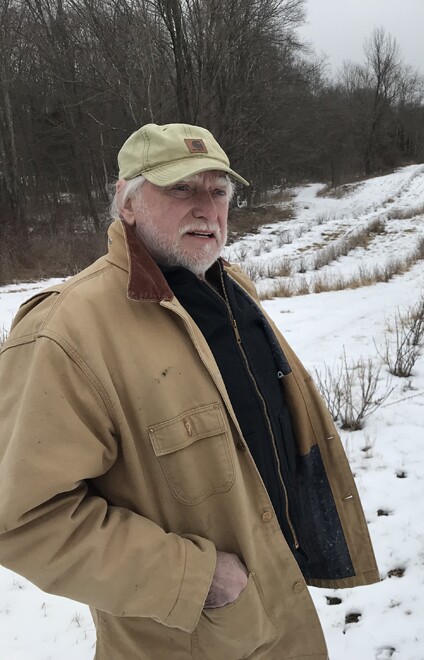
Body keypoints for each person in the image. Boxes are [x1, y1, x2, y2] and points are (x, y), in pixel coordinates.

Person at [0, 123, 379, 659]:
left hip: (283, 611)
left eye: (218, 190)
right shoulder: (66, 332)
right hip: (192, 636)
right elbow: (22, 519)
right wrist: (198, 579)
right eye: (180, 188)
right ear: (126, 203)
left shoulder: (232, 289)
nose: (206, 208)